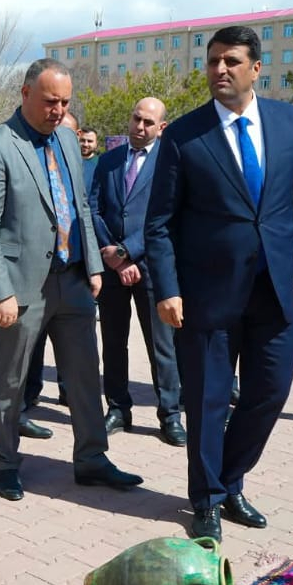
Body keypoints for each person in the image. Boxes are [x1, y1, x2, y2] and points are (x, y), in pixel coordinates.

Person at [145, 26, 293, 541]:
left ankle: (229, 481)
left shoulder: (291, 124)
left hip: (276, 290)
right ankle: (206, 499)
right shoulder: (183, 135)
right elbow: (158, 223)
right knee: (206, 401)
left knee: (270, 392)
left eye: (230, 61)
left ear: (255, 69)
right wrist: (168, 289)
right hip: (206, 296)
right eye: (212, 62)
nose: (219, 70)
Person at [0, 59, 142, 501]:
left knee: (86, 375)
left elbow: (79, 206)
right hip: (22, 287)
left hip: (73, 281)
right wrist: (1, 291)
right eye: (50, 101)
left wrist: (93, 267)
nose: (58, 110)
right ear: (25, 93)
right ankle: (7, 463)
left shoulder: (67, 138)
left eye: (65, 102)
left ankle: (92, 459)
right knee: (10, 381)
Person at [89, 96, 185, 448]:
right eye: (135, 119)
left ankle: (170, 414)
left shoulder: (170, 163)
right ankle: (117, 407)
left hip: (152, 268)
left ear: (162, 127)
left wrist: (129, 251)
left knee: (161, 346)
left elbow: (168, 219)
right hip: (113, 268)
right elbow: (93, 209)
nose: (139, 127)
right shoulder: (109, 160)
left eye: (148, 123)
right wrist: (114, 257)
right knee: (113, 342)